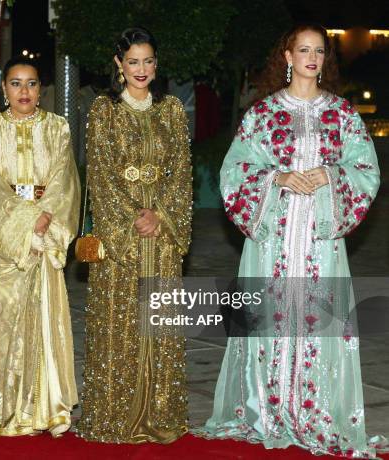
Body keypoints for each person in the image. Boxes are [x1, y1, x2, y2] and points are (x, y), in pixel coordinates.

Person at [197, 24, 383, 457]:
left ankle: (316, 410)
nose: (312, 57)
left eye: (319, 50)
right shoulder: (262, 115)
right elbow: (235, 171)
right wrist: (277, 177)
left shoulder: (342, 114)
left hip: (320, 239)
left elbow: (367, 170)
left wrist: (330, 175)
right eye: (304, 49)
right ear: (287, 56)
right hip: (274, 236)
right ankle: (268, 410)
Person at [76, 27, 193, 444]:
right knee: (119, 323)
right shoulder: (103, 110)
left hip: (162, 233)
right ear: (118, 65)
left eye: (148, 61)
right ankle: (114, 417)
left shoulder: (173, 110)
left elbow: (181, 171)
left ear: (156, 64)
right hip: (121, 237)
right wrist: (130, 221)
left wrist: (161, 216)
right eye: (132, 62)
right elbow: (100, 174)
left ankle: (160, 413)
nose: (141, 69)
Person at [0, 55, 80, 436]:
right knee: (7, 319)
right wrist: (24, 224)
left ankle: (48, 407)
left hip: (47, 232)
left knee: (46, 318)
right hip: (5, 241)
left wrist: (46, 218)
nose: (24, 91)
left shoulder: (58, 128)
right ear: (4, 90)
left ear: (41, 89)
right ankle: (10, 404)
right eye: (16, 83)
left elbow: (65, 178)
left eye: (31, 83)